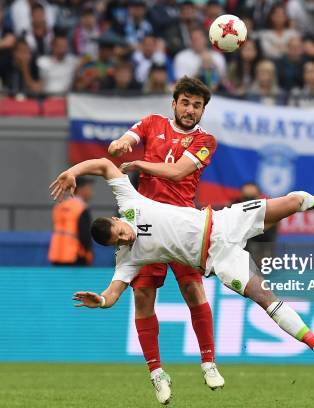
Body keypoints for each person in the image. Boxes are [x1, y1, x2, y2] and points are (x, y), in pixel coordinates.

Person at [49, 158, 314, 404]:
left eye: (121, 231)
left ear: (116, 220)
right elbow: (114, 293)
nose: (126, 237)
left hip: (222, 221)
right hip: (219, 259)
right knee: (264, 297)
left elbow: (104, 164)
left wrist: (72, 171)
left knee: (294, 201)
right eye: (119, 240)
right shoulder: (128, 257)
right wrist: (100, 301)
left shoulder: (130, 202)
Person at [105, 77, 221, 403]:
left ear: (202, 110)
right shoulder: (152, 123)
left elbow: (177, 172)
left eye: (197, 105)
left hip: (183, 224)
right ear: (174, 103)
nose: (190, 110)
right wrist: (120, 144)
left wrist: (139, 162)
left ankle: (208, 362)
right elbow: (128, 137)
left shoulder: (206, 140)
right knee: (143, 295)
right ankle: (157, 373)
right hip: (144, 224)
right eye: (185, 102)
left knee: (192, 289)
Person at [48, 176, 94, 266]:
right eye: (89, 188)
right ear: (81, 189)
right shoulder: (81, 208)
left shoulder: (60, 206)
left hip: (57, 254)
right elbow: (85, 235)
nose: (91, 192)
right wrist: (88, 253)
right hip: (76, 256)